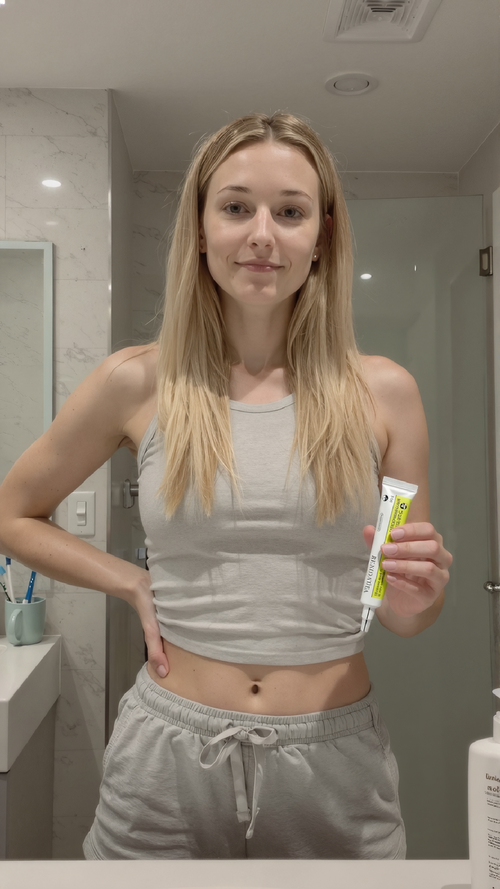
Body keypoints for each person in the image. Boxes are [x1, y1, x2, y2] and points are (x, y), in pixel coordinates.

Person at [0, 112, 452, 860]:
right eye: (237, 206)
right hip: (164, 762)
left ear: (322, 236)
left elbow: (403, 609)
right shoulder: (136, 380)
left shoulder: (386, 394)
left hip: (336, 768)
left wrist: (416, 594)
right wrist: (131, 582)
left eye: (290, 212)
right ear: (201, 229)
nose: (262, 235)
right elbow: (13, 512)